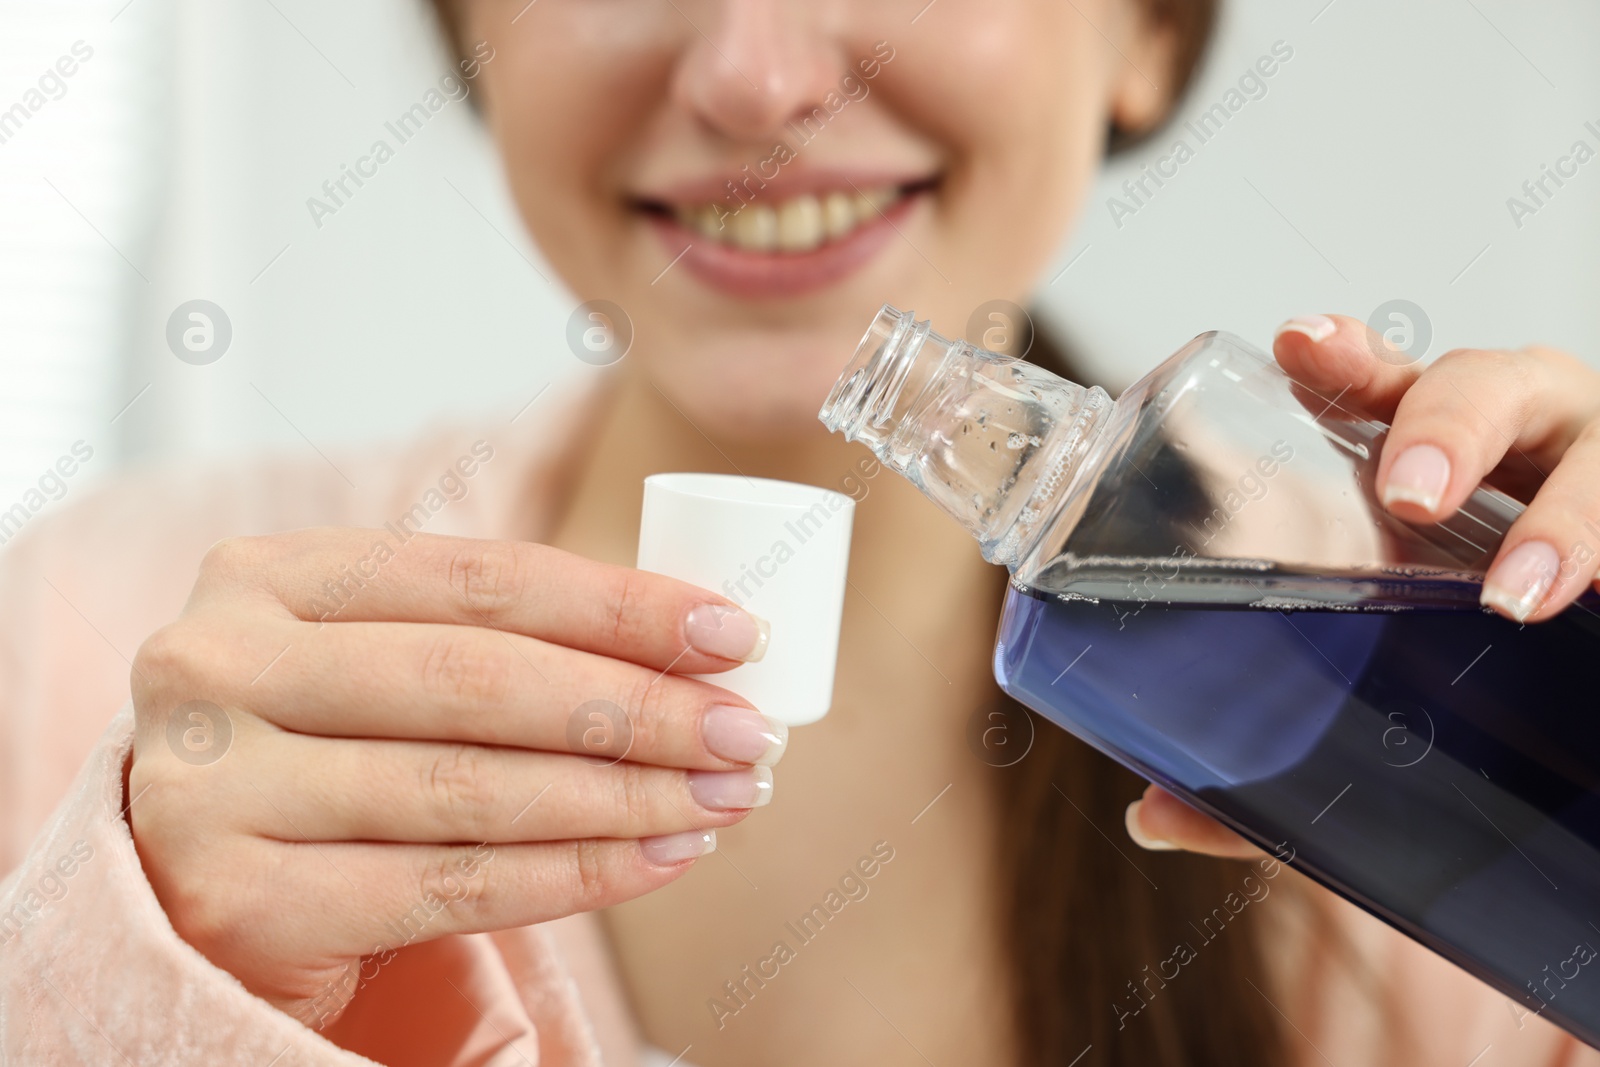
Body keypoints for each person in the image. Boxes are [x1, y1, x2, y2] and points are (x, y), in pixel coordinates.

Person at [4, 0, 1599, 1063]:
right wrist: (139, 1003)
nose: (757, 80)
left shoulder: (1449, 678)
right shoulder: (92, 659)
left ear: (1147, 28)